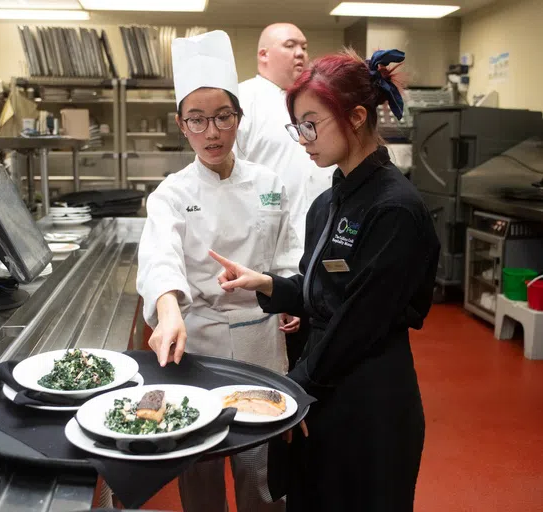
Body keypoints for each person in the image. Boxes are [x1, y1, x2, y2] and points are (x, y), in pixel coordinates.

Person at [210, 48, 441, 511]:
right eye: (298, 126)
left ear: (356, 116)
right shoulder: (329, 201)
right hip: (325, 387)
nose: (303, 140)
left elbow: (360, 320)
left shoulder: (393, 209)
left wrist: (293, 389)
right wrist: (267, 284)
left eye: (311, 125)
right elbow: (323, 293)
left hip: (369, 400)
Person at [136, 30, 300, 512]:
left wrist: (286, 293)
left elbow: (288, 250)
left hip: (260, 343)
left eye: (224, 117)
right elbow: (160, 256)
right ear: (181, 125)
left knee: (260, 467)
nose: (212, 132)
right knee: (200, 461)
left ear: (239, 118)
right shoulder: (170, 192)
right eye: (198, 120)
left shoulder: (270, 185)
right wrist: (168, 311)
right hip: (198, 342)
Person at [236, 23, 337, 369]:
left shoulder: (312, 101)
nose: (301, 53)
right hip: (267, 258)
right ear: (263, 54)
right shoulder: (242, 102)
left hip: (318, 254)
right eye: (290, 45)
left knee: (317, 361)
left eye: (305, 47)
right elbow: (233, 191)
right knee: (273, 372)